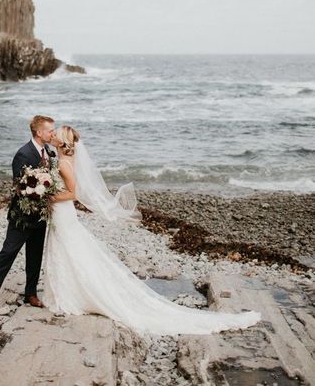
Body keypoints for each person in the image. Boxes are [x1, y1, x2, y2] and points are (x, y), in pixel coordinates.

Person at [42, 125, 261, 336]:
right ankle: (69, 292)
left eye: (56, 135)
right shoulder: (67, 160)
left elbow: (73, 193)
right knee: (70, 250)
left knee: (68, 249)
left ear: (61, 142)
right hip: (63, 213)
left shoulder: (63, 164)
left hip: (63, 211)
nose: (52, 136)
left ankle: (72, 296)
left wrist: (48, 195)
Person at [0, 115, 56, 309]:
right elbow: (19, 186)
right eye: (50, 130)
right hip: (22, 216)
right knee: (8, 252)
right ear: (39, 132)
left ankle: (31, 293)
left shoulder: (48, 152)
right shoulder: (23, 154)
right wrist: (34, 192)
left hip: (41, 216)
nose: (53, 133)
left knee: (35, 256)